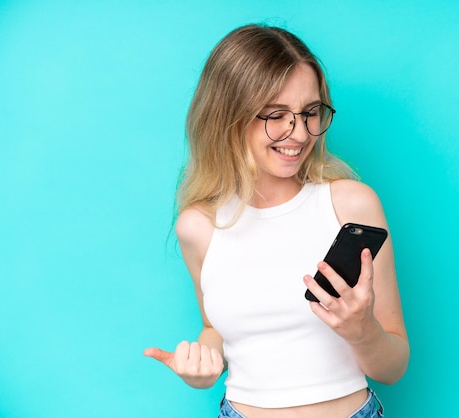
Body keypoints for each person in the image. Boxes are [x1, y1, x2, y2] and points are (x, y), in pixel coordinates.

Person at [144, 24, 410, 418]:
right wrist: (201, 367)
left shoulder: (352, 206)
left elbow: (393, 367)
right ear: (228, 116)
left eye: (309, 113)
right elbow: (215, 328)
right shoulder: (197, 227)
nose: (300, 133)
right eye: (277, 115)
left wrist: (362, 330)